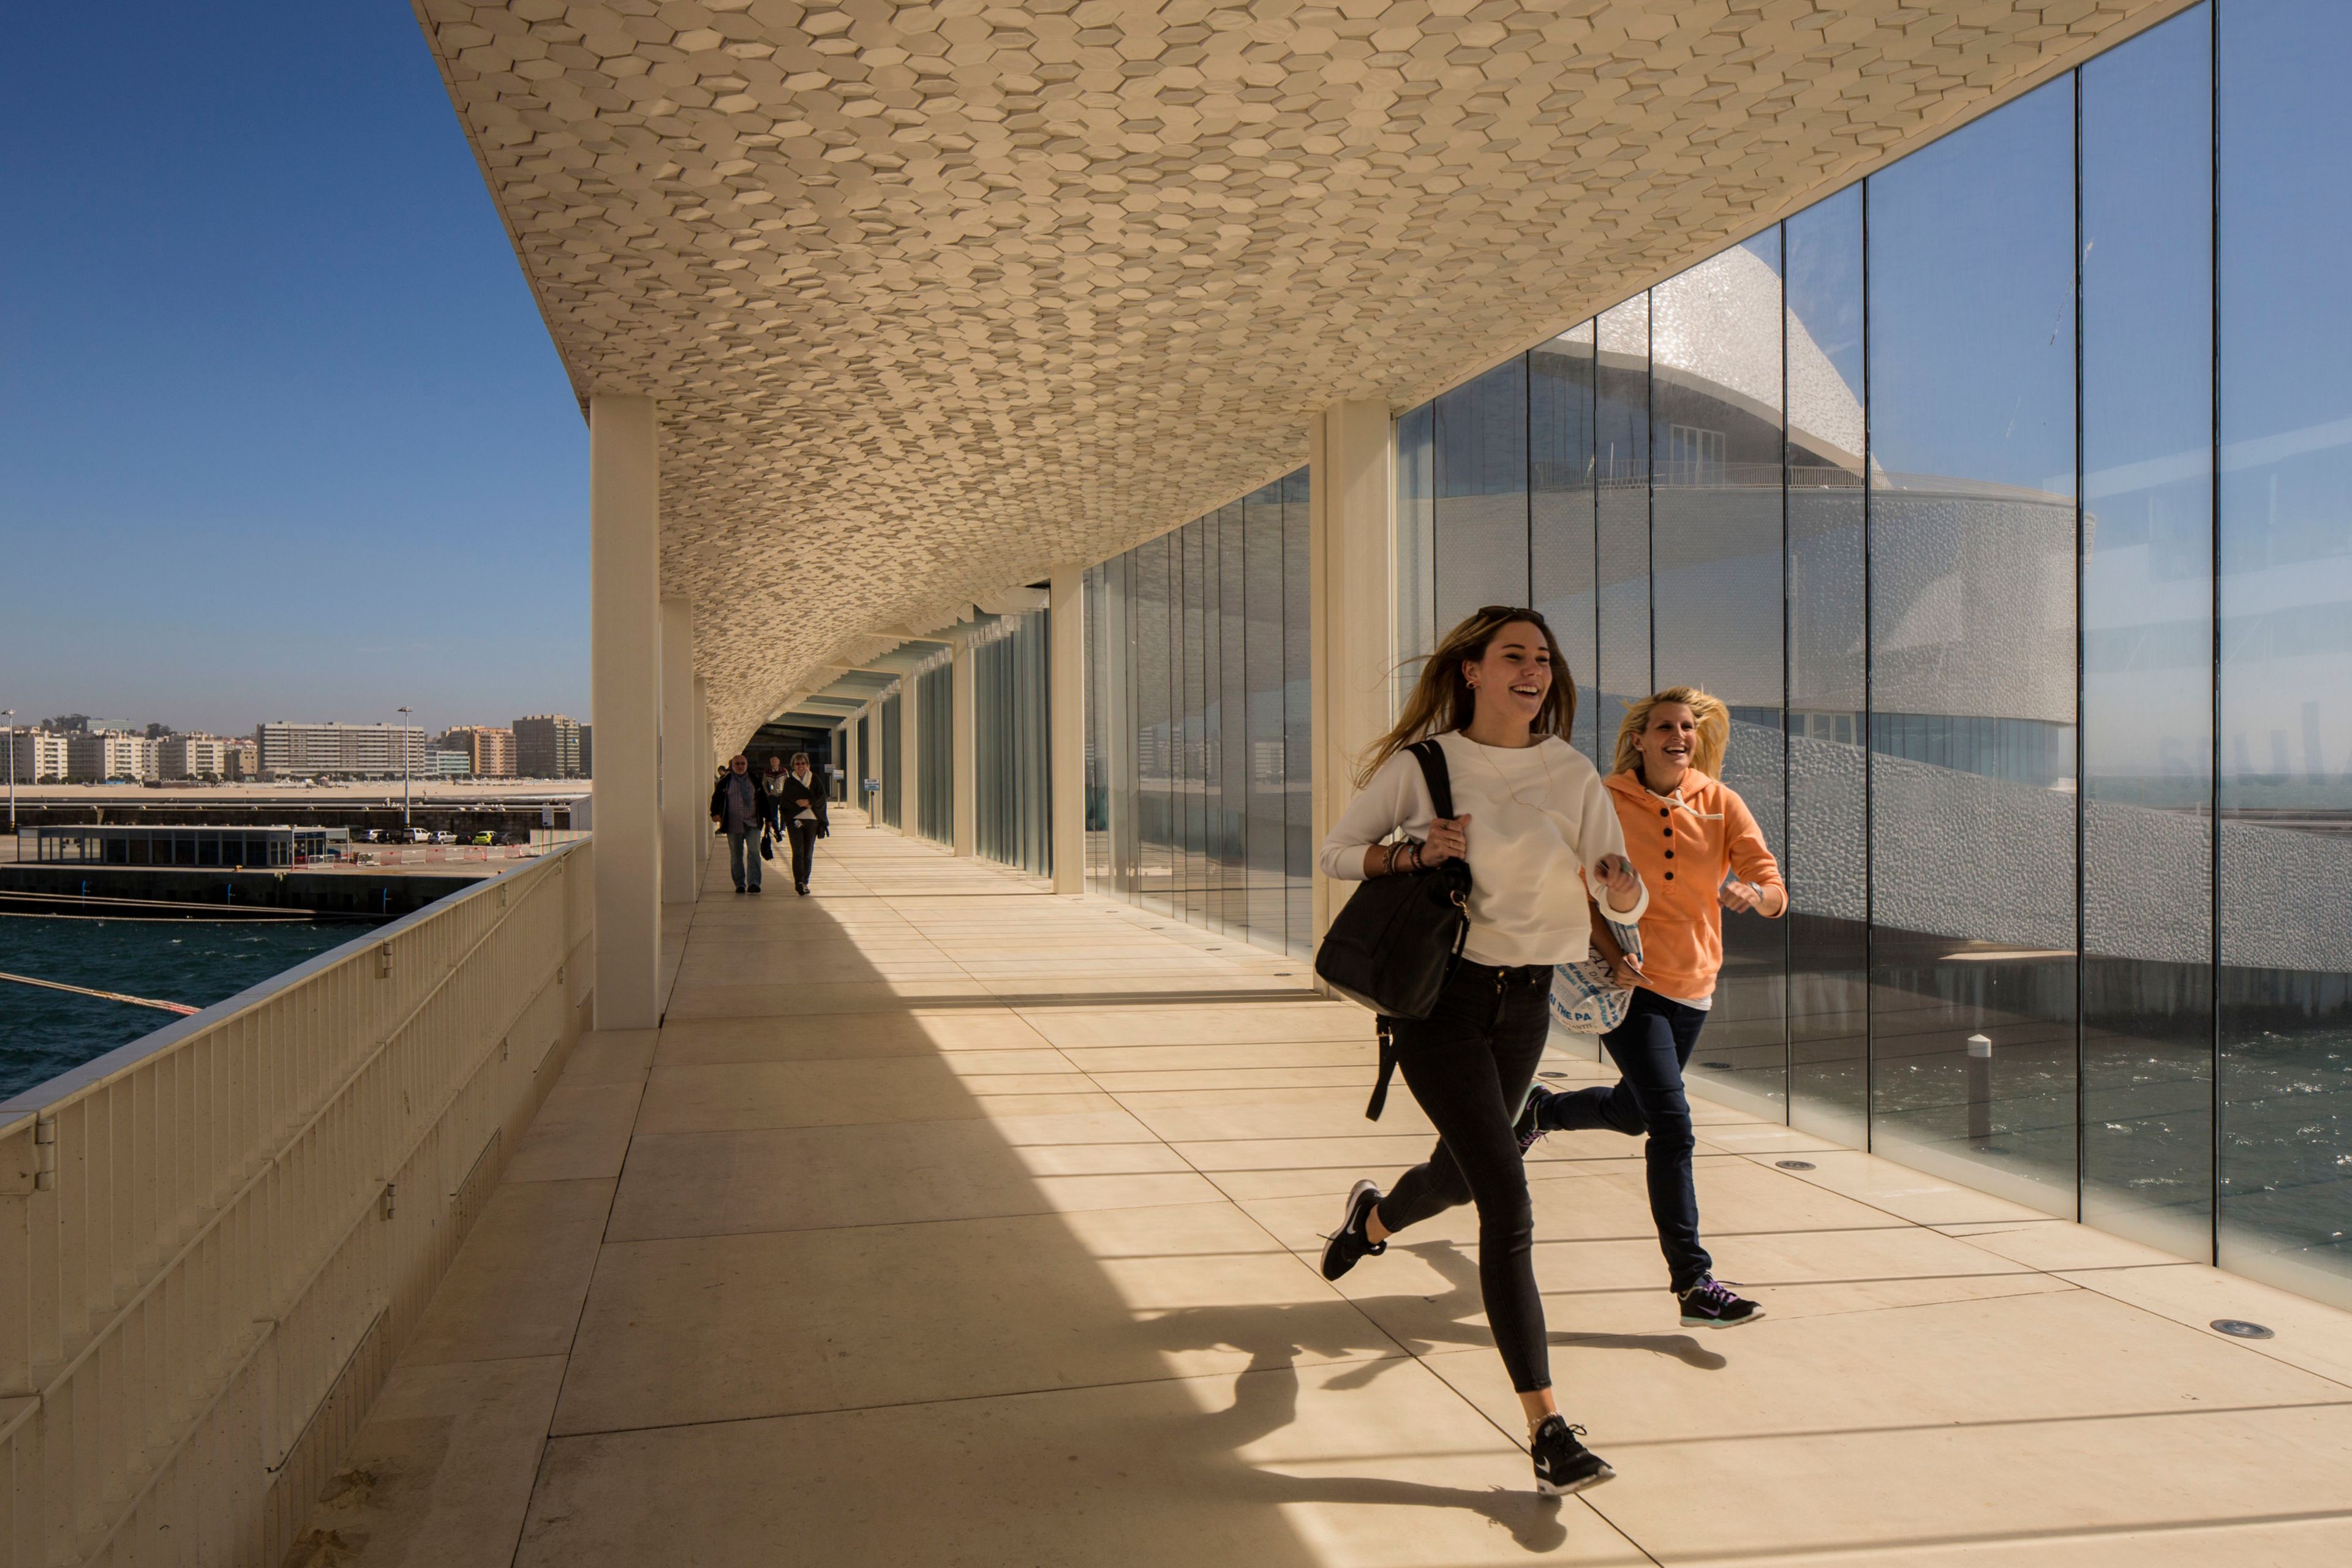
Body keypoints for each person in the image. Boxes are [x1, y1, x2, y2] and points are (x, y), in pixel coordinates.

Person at [1316, 606, 1646, 1496]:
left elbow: (1621, 900)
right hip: (1443, 1008)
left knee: (1463, 1175)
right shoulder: (1424, 766)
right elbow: (1338, 853)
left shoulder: (1573, 771)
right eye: (1513, 656)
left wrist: (1622, 889)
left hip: (1528, 1006)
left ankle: (1373, 1220)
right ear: (1472, 670)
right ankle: (1548, 1431)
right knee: (1508, 1198)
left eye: (1543, 657)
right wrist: (1411, 852)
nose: (1533, 670)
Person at [1518, 687, 1787, 1330]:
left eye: (1688, 727)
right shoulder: (1608, 801)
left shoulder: (1722, 804)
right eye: (1665, 725)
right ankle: (1694, 1283)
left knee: (1636, 1112)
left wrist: (1755, 893)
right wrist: (1612, 954)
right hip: (1631, 988)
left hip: (1695, 985)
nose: (1679, 735)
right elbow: (1579, 891)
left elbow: (1775, 887)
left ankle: (1544, 1108)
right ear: (1639, 737)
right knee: (1673, 1126)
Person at [708, 752, 773, 894]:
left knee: (754, 852)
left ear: (747, 765)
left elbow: (763, 800)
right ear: (732, 766)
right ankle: (740, 884)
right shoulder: (725, 782)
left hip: (753, 823)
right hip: (733, 824)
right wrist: (714, 813)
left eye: (743, 763)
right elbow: (716, 798)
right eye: (737, 764)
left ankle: (754, 883)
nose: (740, 766)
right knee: (736, 855)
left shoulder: (754, 780)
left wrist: (769, 819)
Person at [771, 749, 829, 895]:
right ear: (793, 766)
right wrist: (799, 806)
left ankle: (806, 881)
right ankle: (799, 882)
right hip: (796, 821)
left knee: (808, 852)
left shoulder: (814, 779)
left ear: (807, 765)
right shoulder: (790, 782)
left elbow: (822, 797)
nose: (800, 766)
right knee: (797, 851)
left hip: (812, 820)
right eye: (797, 764)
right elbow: (785, 803)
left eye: (803, 763)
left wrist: (809, 802)